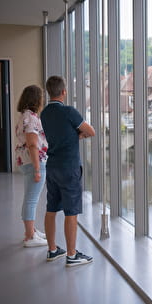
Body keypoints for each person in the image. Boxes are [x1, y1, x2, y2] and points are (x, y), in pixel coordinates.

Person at [41, 75, 95, 267]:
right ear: (64, 92)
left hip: (52, 166)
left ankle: (52, 249)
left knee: (51, 208)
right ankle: (72, 255)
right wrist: (75, 137)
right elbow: (91, 131)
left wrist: (71, 137)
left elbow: (57, 134)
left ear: (49, 92)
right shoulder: (69, 112)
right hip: (69, 167)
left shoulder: (44, 113)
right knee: (71, 212)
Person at [15, 85, 48, 247]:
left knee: (29, 197)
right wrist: (37, 168)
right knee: (31, 199)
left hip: (25, 161)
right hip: (34, 161)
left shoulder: (24, 116)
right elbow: (33, 144)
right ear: (37, 99)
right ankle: (29, 236)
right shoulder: (32, 118)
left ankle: (31, 231)